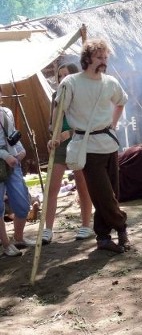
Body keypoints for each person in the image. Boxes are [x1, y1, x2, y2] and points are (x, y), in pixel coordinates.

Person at [54, 38, 130, 253]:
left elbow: (121, 101)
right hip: (87, 148)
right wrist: (56, 134)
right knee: (103, 195)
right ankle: (122, 226)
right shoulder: (71, 83)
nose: (103, 61)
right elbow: (59, 110)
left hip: (109, 145)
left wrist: (113, 125)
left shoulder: (110, 82)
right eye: (99, 57)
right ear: (87, 58)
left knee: (110, 194)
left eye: (105, 57)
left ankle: (103, 238)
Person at [43, 63, 93, 244]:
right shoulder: (55, 96)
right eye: (59, 76)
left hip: (77, 142)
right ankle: (47, 229)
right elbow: (51, 124)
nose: (62, 78)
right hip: (60, 146)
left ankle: (86, 225)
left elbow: (87, 123)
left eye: (66, 74)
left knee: (82, 185)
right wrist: (53, 137)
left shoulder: (81, 94)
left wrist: (69, 133)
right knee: (51, 187)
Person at [0, 87, 34, 251]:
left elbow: (12, 135)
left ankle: (19, 238)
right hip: (2, 162)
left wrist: (21, 151)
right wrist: (5, 156)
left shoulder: (6, 111)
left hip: (13, 163)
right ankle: (6, 244)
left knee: (22, 203)